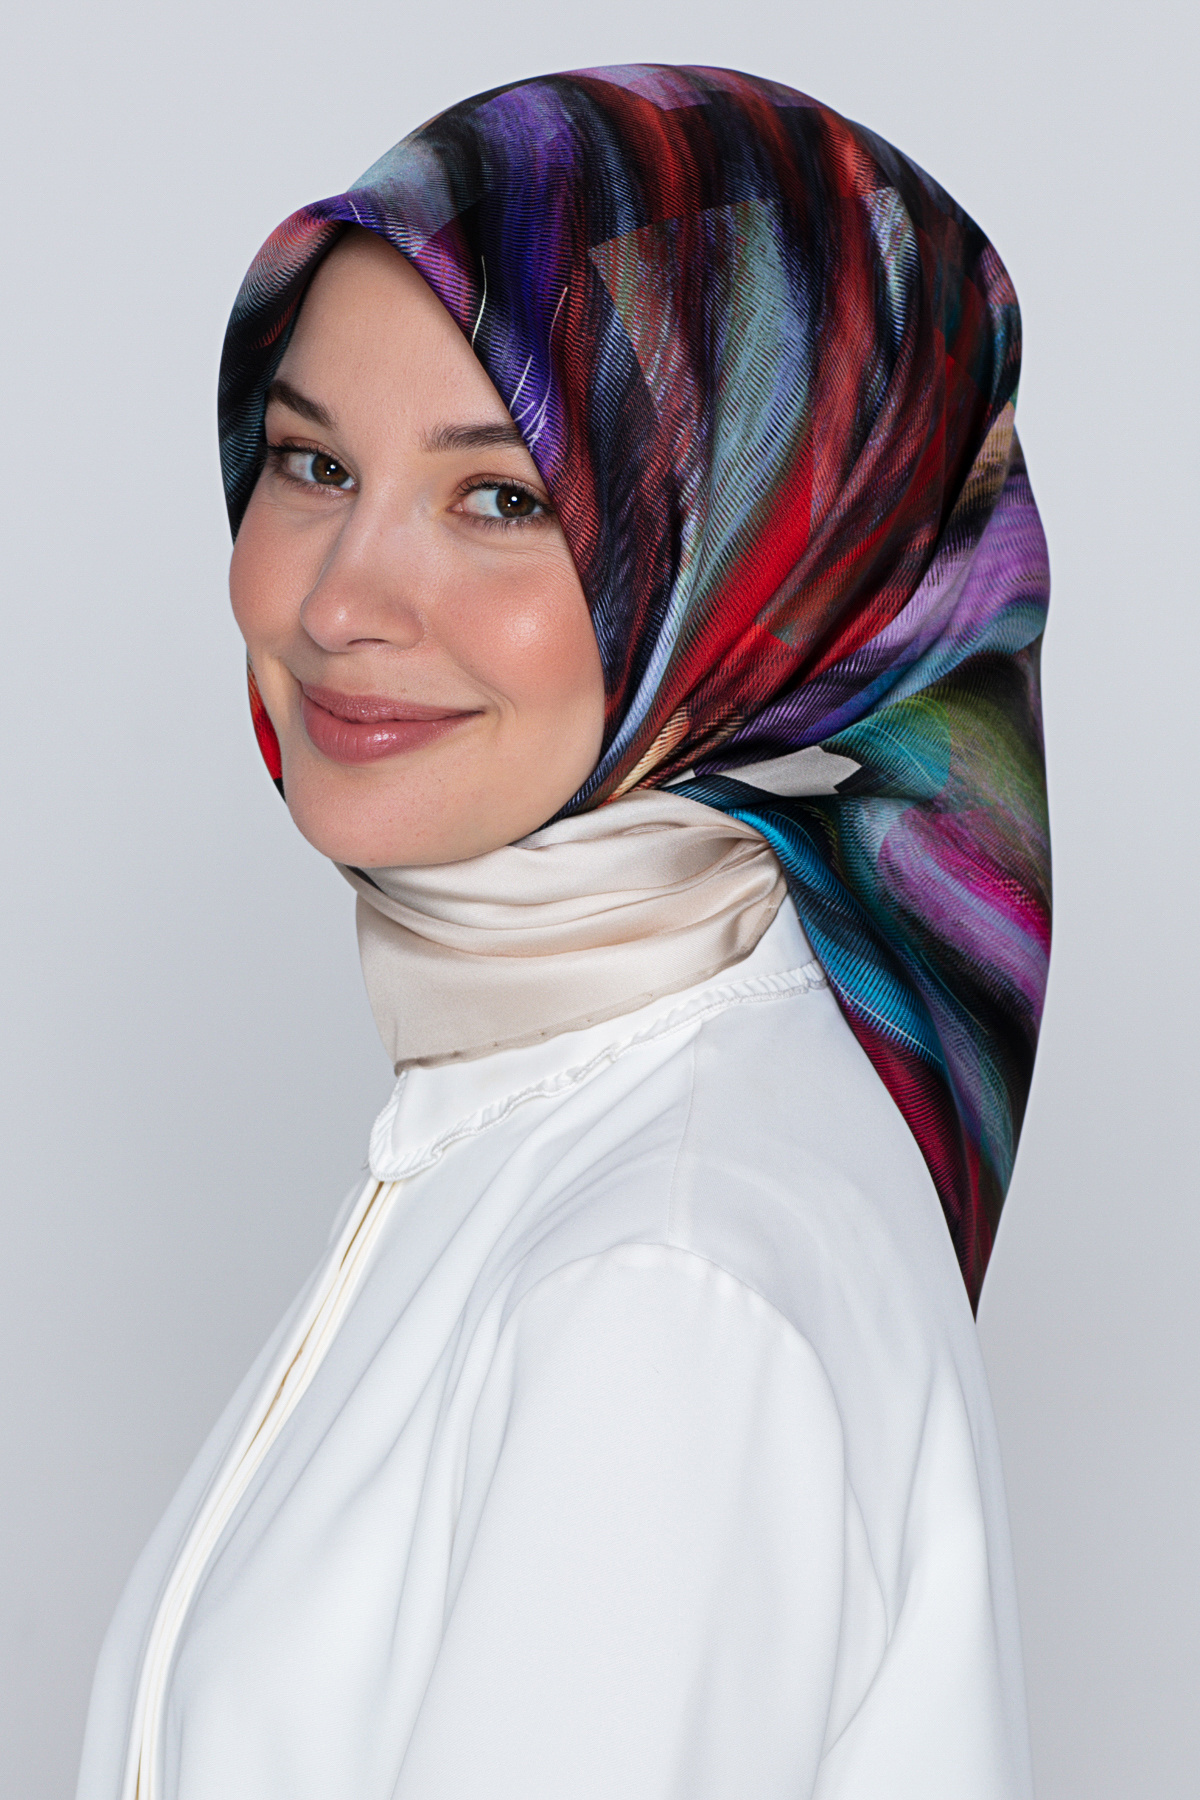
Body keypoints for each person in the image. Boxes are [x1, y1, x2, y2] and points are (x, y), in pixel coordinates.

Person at [76, 64, 1051, 1800]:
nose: (338, 600)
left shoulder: (659, 1279)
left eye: (504, 498)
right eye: (312, 463)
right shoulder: (552, 1115)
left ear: (757, 566)